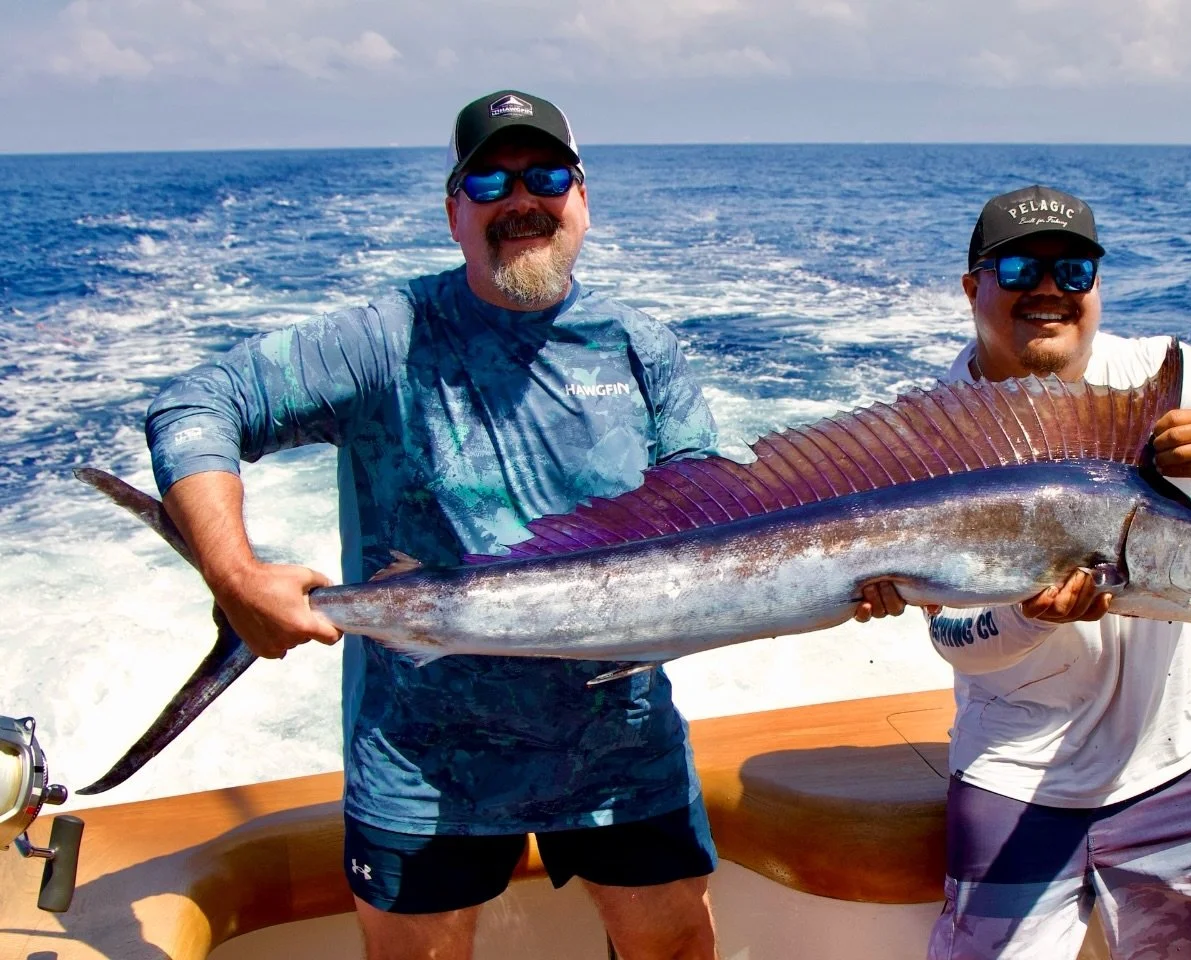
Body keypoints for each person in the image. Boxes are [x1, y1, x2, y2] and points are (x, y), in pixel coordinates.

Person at [145, 90, 743, 960]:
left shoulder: (639, 346)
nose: (520, 199)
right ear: (453, 210)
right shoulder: (389, 338)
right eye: (490, 180)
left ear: (582, 197)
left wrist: (858, 580)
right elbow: (198, 403)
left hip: (623, 753)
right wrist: (236, 577)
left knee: (678, 948)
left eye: (544, 175)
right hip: (423, 768)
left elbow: (712, 517)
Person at [923, 185, 1191, 960]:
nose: (1050, 289)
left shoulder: (1158, 372)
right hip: (1015, 781)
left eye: (1076, 270)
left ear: (1098, 286)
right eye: (1021, 268)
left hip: (1179, 765)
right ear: (972, 288)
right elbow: (955, 637)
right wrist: (1029, 615)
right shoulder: (938, 431)